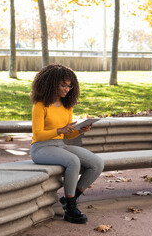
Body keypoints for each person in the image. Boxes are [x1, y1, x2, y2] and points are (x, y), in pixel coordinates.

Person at [30, 64, 104, 224]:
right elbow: (38, 134)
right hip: (40, 148)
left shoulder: (67, 106)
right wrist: (60, 130)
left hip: (59, 145)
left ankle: (69, 199)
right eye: (63, 85)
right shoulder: (40, 105)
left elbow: (68, 133)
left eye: (70, 86)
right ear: (52, 83)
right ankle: (71, 209)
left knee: (97, 163)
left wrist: (81, 129)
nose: (67, 89)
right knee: (73, 161)